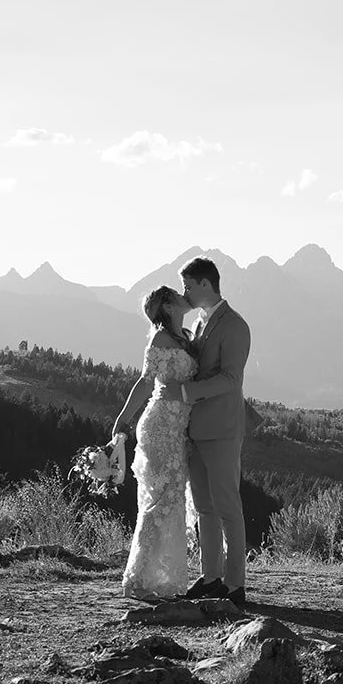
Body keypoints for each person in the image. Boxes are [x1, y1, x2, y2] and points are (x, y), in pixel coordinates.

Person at [111, 285, 197, 601]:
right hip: (159, 426)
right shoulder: (160, 339)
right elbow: (145, 382)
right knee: (161, 499)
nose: (183, 295)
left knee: (172, 498)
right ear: (168, 305)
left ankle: (159, 577)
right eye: (176, 294)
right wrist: (122, 419)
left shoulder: (185, 337)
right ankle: (135, 579)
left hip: (179, 430)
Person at [175, 256, 251, 607]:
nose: (184, 293)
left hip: (222, 428)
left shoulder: (235, 326)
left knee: (228, 506)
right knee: (204, 507)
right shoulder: (201, 324)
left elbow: (231, 379)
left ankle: (236, 584)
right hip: (196, 429)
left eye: (188, 286)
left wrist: (188, 393)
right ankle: (210, 577)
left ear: (205, 284)